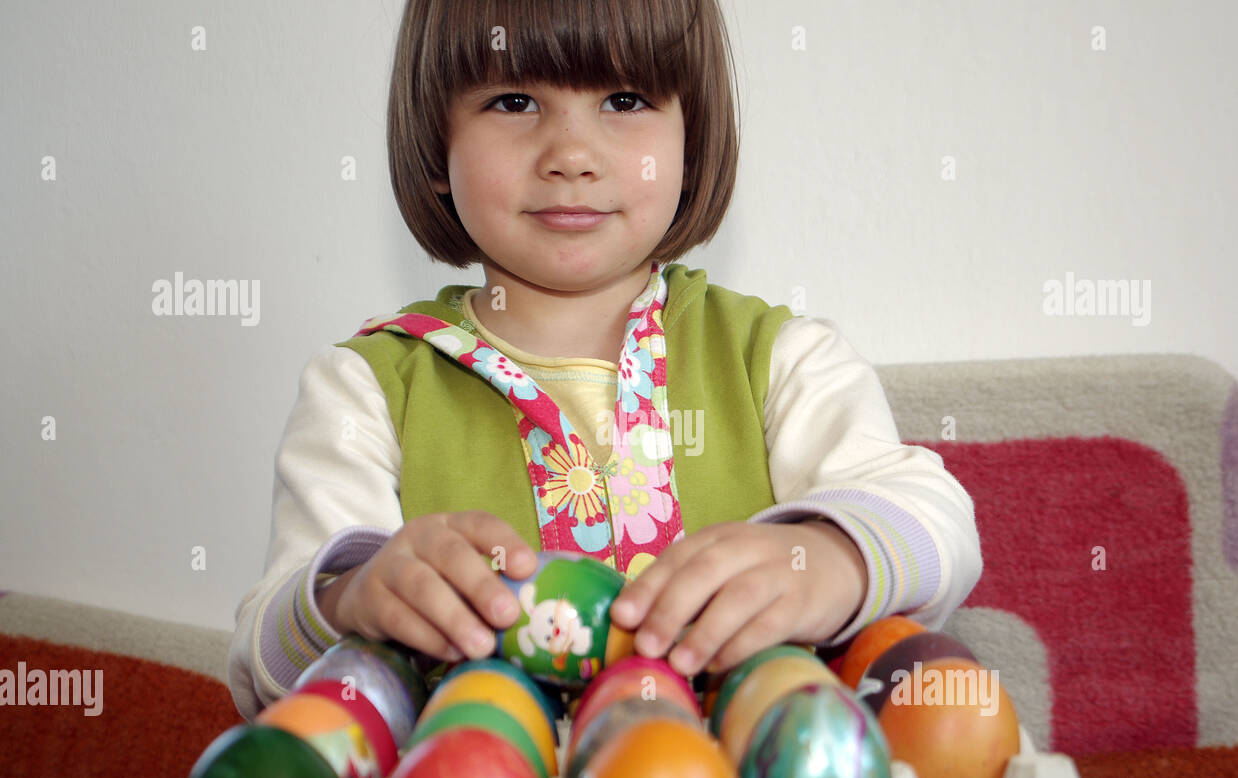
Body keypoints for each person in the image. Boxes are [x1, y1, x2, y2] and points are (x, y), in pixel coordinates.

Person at [227, 0, 982, 721]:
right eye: (514, 101)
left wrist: (826, 557)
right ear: (435, 143)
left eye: (624, 99)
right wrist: (349, 597)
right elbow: (264, 662)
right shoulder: (366, 388)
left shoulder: (780, 359)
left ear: (694, 138)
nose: (572, 155)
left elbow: (940, 523)